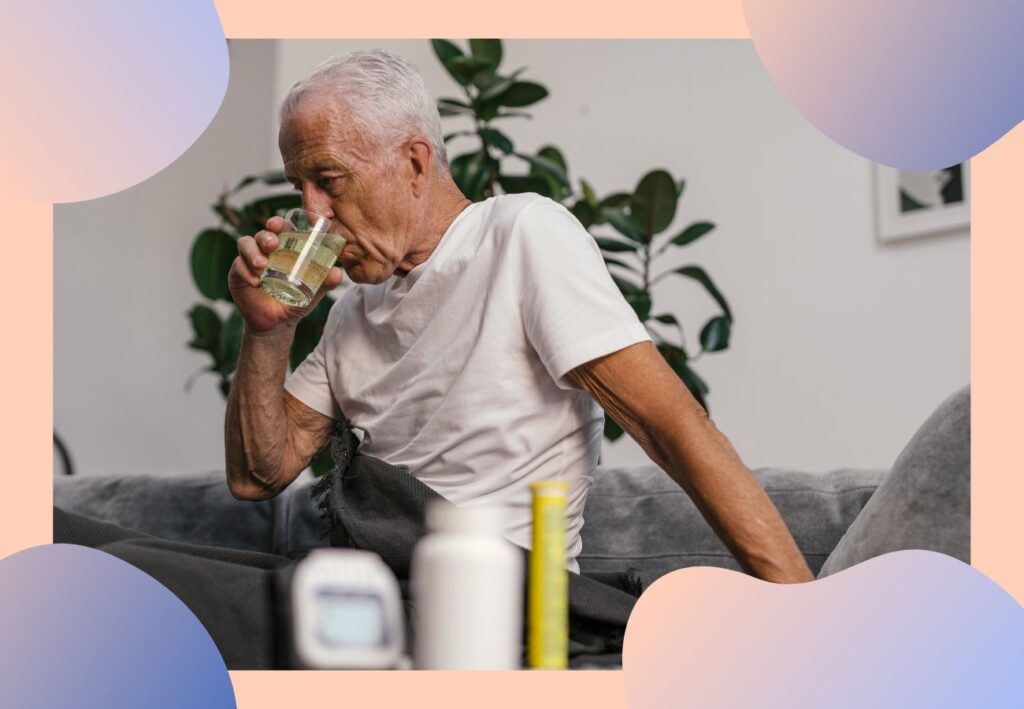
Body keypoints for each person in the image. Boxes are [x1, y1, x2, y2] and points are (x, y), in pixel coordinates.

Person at [225, 49, 813, 584]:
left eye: (328, 181)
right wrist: (267, 330)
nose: (311, 213)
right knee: (140, 557)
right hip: (372, 594)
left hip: (501, 594)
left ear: (413, 162)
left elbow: (674, 425)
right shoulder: (352, 309)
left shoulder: (519, 235)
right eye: (300, 187)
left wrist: (796, 601)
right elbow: (258, 476)